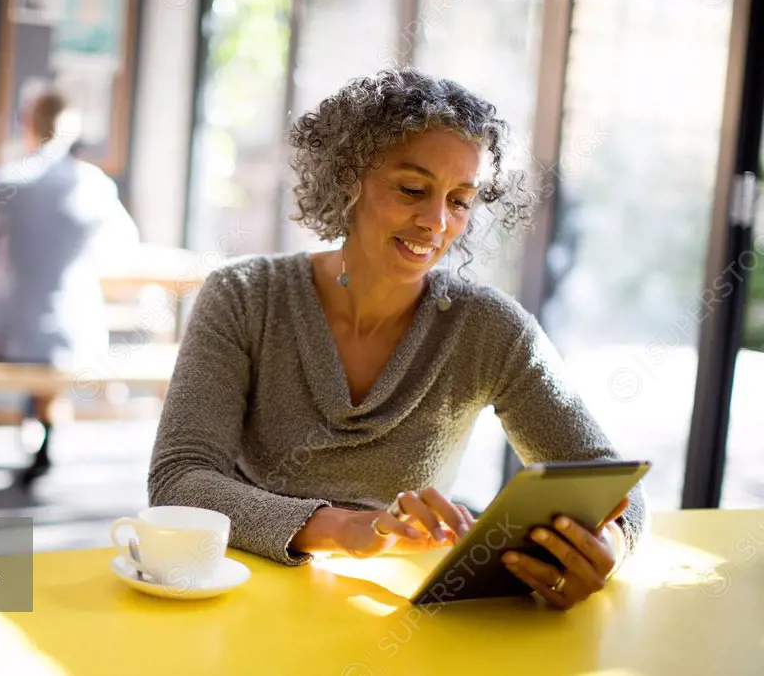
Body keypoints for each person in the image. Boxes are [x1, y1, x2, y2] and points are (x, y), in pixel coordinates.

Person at [147, 67, 648, 611]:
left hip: (396, 609)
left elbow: (614, 487)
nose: (436, 221)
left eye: (459, 200)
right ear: (347, 179)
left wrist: (607, 548)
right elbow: (181, 479)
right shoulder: (245, 297)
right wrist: (344, 528)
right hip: (240, 590)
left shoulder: (491, 329)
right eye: (412, 189)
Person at [0, 86, 140, 482]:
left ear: (25, 125)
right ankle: (45, 437)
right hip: (76, 334)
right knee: (53, 338)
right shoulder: (97, 185)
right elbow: (124, 247)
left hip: (5, 331)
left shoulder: (6, 180)